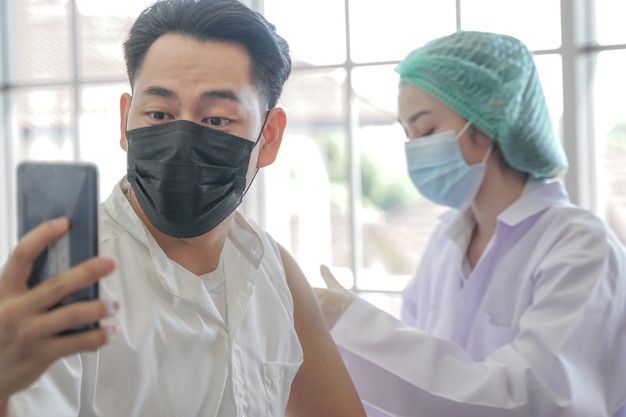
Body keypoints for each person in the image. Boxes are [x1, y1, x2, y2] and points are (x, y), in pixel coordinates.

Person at [0, 1, 367, 416]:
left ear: (269, 138)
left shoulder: (274, 270)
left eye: (216, 120)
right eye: (159, 114)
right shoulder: (65, 282)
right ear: (125, 121)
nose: (180, 140)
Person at [314, 30, 626, 416]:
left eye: (425, 130)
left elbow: (534, 401)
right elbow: (417, 397)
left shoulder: (581, 246)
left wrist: (350, 321)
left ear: (491, 113)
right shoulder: (445, 245)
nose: (414, 149)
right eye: (407, 134)